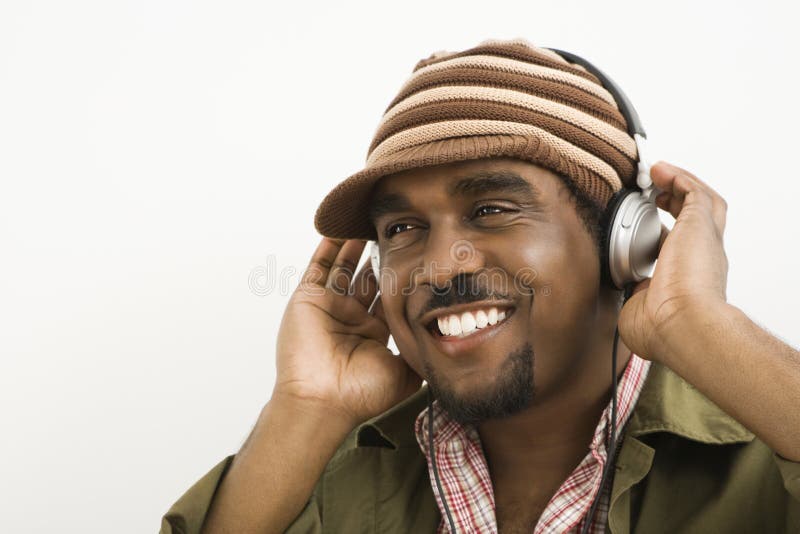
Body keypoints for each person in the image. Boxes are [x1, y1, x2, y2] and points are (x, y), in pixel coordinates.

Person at [160, 39, 800, 533]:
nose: (438, 269)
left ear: (624, 241)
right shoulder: (324, 473)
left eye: (492, 210)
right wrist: (307, 408)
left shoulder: (767, 453)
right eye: (404, 227)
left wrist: (698, 323)